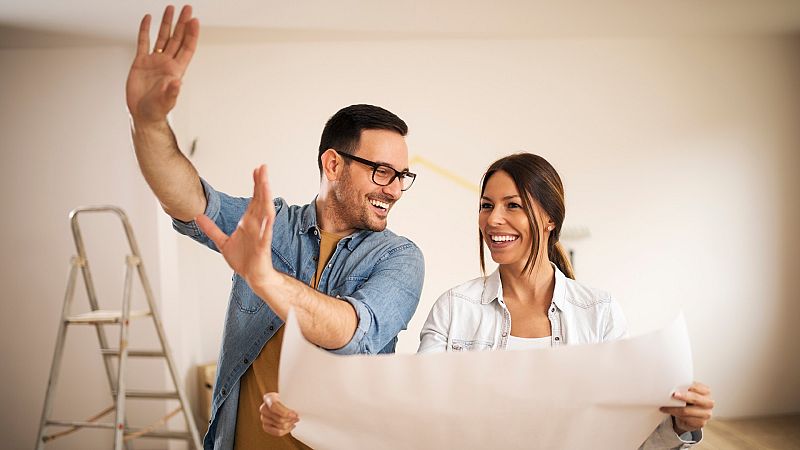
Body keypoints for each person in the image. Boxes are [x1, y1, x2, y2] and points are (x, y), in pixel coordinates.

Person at [125, 5, 425, 450]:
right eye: (382, 171)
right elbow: (188, 201)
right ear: (333, 164)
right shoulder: (273, 225)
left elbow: (350, 331)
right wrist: (148, 124)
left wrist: (264, 277)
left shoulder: (399, 258)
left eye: (402, 176)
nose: (395, 189)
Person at [417, 153, 714, 449]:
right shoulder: (454, 308)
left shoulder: (599, 312)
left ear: (549, 219)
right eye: (486, 206)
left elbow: (625, 437)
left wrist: (680, 425)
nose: (493, 219)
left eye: (513, 205)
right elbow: (419, 417)